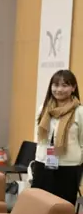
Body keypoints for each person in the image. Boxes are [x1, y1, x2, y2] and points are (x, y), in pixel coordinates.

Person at [32, 69, 83, 205]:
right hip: (43, 163)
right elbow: (38, 137)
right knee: (38, 205)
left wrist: (78, 162)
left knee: (63, 207)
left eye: (64, 85)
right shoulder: (44, 109)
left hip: (68, 167)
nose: (59, 89)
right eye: (55, 85)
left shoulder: (79, 112)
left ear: (73, 88)